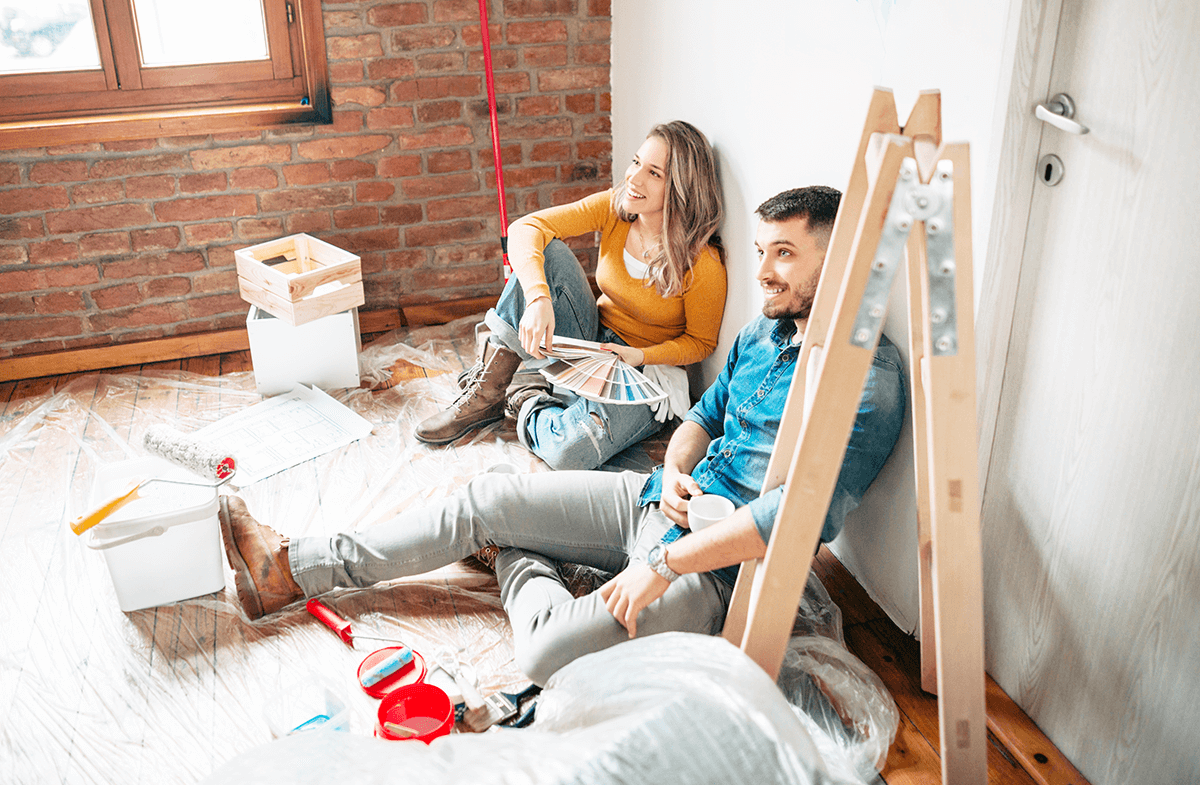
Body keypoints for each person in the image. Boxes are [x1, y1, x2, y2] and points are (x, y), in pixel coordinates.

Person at [218, 186, 905, 686]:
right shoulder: (767, 331)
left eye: (784, 254)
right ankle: (291, 568)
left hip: (720, 572)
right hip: (662, 502)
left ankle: (526, 557)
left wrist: (662, 566)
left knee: (544, 655)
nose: (762, 273)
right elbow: (704, 415)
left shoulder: (866, 382)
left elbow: (793, 523)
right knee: (485, 498)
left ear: (840, 258)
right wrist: (673, 473)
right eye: (761, 251)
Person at [414, 120, 728, 472]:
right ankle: (485, 396)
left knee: (569, 453)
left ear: (683, 188)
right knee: (545, 253)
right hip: (591, 338)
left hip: (646, 371)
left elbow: (701, 343)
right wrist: (538, 298)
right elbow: (525, 228)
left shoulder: (703, 262)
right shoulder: (616, 208)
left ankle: (527, 393)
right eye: (636, 162)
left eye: (654, 173)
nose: (635, 179)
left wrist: (640, 355)